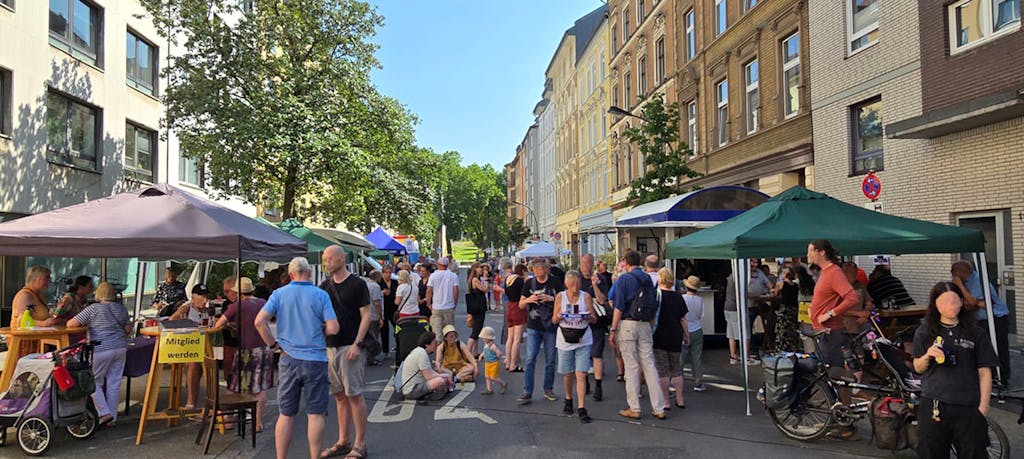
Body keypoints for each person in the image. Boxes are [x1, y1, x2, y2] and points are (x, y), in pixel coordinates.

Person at [254, 257, 339, 459]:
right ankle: (314, 456)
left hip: (288, 358)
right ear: (309, 273)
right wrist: (321, 330)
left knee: (286, 413)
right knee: (315, 413)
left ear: (291, 275)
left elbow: (259, 322)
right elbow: (334, 327)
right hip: (316, 359)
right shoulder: (320, 295)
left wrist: (273, 344)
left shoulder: (279, 294)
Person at [912, 282, 996, 458]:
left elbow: (985, 372)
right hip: (934, 404)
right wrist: (927, 355)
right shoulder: (925, 332)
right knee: (931, 452)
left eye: (954, 301)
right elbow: (918, 367)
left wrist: (983, 407)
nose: (950, 306)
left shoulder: (976, 333)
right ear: (935, 305)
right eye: (943, 302)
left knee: (973, 453)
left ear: (961, 302)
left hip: (969, 405)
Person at [319, 246, 373, 459]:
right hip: (330, 346)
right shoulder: (324, 286)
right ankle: (343, 440)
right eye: (324, 259)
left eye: (330, 258)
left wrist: (357, 344)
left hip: (349, 346)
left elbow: (367, 315)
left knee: (354, 395)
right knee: (339, 396)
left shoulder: (358, 284)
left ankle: (360, 444)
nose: (327, 263)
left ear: (342, 258)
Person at [807, 239, 861, 439]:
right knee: (833, 374)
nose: (808, 255)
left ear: (821, 252)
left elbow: (852, 297)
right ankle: (843, 418)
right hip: (825, 333)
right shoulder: (825, 273)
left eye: (810, 251)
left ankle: (847, 423)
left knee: (836, 374)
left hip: (831, 333)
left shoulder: (834, 272)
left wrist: (829, 314)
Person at [610, 250, 667, 420]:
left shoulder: (624, 279)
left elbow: (618, 306)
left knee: (631, 366)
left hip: (628, 323)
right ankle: (659, 407)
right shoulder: (647, 279)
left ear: (626, 262)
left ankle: (634, 407)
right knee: (649, 364)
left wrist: (613, 330)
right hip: (645, 323)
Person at [68, 282, 130, 427]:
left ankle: (104, 413)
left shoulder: (93, 309)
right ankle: (112, 418)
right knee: (114, 383)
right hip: (120, 348)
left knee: (94, 382)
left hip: (101, 349)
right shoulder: (121, 308)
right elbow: (127, 329)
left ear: (98, 294)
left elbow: (71, 324)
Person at [215, 277, 272, 432]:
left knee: (235, 386)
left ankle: (229, 420)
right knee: (260, 388)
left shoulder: (237, 306)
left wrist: (231, 325)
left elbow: (218, 324)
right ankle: (258, 423)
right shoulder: (262, 302)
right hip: (264, 348)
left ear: (238, 292)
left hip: (246, 350)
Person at [952, 260, 1011, 386]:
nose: (952, 276)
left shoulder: (976, 281)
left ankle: (1002, 377)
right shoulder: (969, 281)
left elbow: (972, 303)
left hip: (996, 318)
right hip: (982, 319)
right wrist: (972, 303)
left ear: (961, 272)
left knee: (998, 348)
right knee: (983, 348)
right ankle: (991, 375)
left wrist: (960, 286)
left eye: (954, 272)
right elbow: (969, 304)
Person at [517, 260, 564, 405]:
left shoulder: (555, 282)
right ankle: (527, 391)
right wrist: (530, 299)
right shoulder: (529, 283)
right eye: (535, 270)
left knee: (550, 360)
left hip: (550, 325)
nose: (537, 273)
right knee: (530, 358)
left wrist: (552, 298)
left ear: (546, 270)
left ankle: (548, 389)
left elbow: (564, 300)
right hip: (533, 325)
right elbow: (520, 304)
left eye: (540, 270)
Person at [553, 271, 597, 423]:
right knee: (568, 373)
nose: (575, 288)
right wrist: (559, 316)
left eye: (577, 284)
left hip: (583, 338)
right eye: (572, 284)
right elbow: (553, 320)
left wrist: (589, 317)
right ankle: (568, 398)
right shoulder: (560, 297)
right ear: (566, 284)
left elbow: (594, 319)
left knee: (581, 373)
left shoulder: (585, 297)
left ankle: (582, 407)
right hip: (565, 339)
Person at [170, 284, 213, 410]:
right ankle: (190, 401)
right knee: (194, 364)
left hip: (204, 344)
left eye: (206, 296)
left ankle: (208, 401)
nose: (204, 300)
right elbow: (172, 319)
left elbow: (212, 322)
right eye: (201, 296)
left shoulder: (208, 309)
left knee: (207, 364)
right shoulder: (187, 307)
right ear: (193, 297)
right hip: (188, 345)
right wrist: (189, 325)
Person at [653, 269, 689, 410]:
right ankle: (680, 399)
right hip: (675, 335)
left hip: (659, 336)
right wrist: (687, 335)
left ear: (660, 280)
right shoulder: (678, 297)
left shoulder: (656, 296)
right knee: (676, 369)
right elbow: (683, 319)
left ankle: (666, 400)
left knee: (662, 370)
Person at [580, 253, 610, 400]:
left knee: (597, 354)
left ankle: (598, 386)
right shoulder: (576, 278)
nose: (585, 266)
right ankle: (585, 383)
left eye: (588, 263)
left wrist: (594, 285)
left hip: (597, 322)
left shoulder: (601, 279)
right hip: (581, 322)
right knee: (583, 354)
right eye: (583, 263)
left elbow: (603, 299)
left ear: (592, 265)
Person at [11, 266, 58, 356]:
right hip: (26, 343)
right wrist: (44, 323)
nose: (49, 282)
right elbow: (21, 320)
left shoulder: (37, 295)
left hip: (38, 341)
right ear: (37, 279)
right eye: (46, 279)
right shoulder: (25, 295)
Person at [400, 332, 454, 400]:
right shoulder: (421, 354)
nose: (436, 345)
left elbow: (430, 373)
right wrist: (446, 376)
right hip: (411, 390)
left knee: (443, 379)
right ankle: (429, 396)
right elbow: (428, 376)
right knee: (440, 381)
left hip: (415, 386)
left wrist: (445, 376)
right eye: (434, 343)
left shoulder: (420, 351)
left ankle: (434, 393)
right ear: (427, 345)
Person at [724, 272, 759, 366]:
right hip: (737, 308)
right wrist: (758, 296)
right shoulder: (738, 277)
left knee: (731, 333)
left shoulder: (731, 276)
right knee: (745, 333)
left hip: (728, 307)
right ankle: (746, 358)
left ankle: (733, 357)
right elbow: (743, 293)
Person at [680, 275, 706, 392]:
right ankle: (698, 382)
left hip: (683, 329)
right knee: (697, 356)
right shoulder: (700, 300)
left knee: (681, 357)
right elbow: (701, 315)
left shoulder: (682, 298)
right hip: (697, 328)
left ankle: (678, 380)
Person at [426, 257, 459, 342]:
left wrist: (429, 304)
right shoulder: (453, 275)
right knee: (450, 331)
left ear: (438, 264)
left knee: (437, 333)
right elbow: (456, 290)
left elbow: (429, 290)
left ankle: (439, 352)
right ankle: (450, 350)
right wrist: (454, 303)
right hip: (449, 306)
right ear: (447, 265)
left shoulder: (433, 276)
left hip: (436, 307)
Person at [504, 264, 528, 373]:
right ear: (523, 271)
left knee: (510, 338)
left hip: (509, 306)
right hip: (518, 307)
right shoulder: (520, 281)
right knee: (517, 339)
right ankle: (513, 364)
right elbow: (524, 294)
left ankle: (508, 362)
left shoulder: (508, 279)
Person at [747, 262, 774, 354]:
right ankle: (750, 348)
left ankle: (767, 342)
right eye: (752, 263)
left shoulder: (759, 272)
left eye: (755, 263)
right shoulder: (744, 273)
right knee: (748, 326)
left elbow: (768, 284)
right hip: (749, 305)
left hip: (760, 303)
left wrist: (772, 289)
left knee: (772, 317)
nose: (754, 265)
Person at [774, 267, 802, 352]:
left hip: (785, 308)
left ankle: (781, 348)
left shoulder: (781, 284)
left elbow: (775, 294)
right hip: (793, 308)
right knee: (792, 329)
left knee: (782, 329)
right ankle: (792, 347)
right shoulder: (796, 285)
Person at [841, 262, 873, 334]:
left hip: (861, 323)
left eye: (854, 272)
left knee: (871, 336)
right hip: (844, 325)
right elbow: (837, 309)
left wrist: (866, 313)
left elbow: (868, 301)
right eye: (849, 272)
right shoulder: (838, 286)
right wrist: (857, 313)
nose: (853, 274)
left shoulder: (859, 285)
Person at [466, 262, 490, 356]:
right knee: (476, 330)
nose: (482, 270)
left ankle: (474, 352)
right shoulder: (475, 279)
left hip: (476, 307)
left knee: (476, 330)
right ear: (476, 268)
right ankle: (467, 352)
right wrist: (486, 278)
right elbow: (485, 289)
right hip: (478, 307)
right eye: (481, 268)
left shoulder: (473, 279)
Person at [477, 326, 507, 395]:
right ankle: (489, 389)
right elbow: (484, 351)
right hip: (487, 363)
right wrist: (481, 355)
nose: (483, 339)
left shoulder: (492, 346)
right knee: (487, 376)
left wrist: (497, 356)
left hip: (493, 363)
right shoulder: (486, 344)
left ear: (488, 338)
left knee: (493, 377)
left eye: (484, 338)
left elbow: (499, 353)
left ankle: (503, 384)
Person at [363, 271, 385, 366]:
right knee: (374, 337)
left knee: (367, 337)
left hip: (365, 315)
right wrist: (380, 317)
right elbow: (377, 303)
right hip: (373, 316)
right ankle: (371, 358)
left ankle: (366, 357)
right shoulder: (375, 287)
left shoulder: (365, 285)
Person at [378, 266, 398, 360]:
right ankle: (386, 351)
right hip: (383, 309)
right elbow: (376, 295)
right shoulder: (379, 283)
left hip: (394, 309)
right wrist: (382, 292)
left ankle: (399, 346)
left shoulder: (395, 282)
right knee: (384, 330)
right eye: (386, 272)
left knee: (397, 328)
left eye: (390, 272)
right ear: (382, 273)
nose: (388, 274)